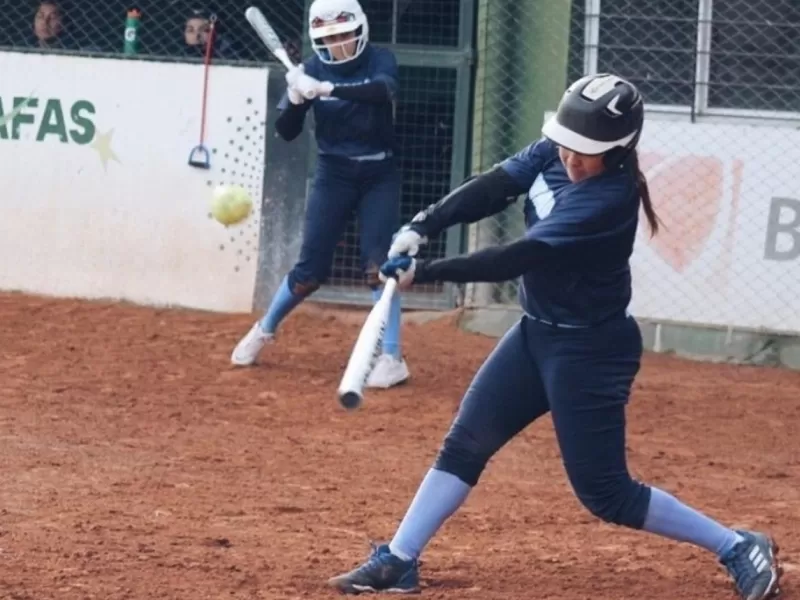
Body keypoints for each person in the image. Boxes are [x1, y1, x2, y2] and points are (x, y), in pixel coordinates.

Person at [325, 73, 782, 599]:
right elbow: (495, 186)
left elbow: (521, 256)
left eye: (587, 152)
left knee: (606, 495)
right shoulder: (556, 146)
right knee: (465, 443)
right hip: (535, 334)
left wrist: (425, 273)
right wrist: (423, 224)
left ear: (620, 149)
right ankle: (399, 560)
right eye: (568, 145)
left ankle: (737, 545)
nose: (572, 159)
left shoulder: (609, 198)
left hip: (589, 352)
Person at [230, 0, 410, 388]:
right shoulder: (309, 68)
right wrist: (296, 101)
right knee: (309, 272)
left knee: (382, 266)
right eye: (330, 39)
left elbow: (383, 91)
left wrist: (330, 88)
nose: (339, 45)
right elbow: (287, 131)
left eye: (345, 35)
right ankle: (265, 328)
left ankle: (393, 357)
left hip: (380, 171)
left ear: (359, 30)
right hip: (334, 173)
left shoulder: (381, 60)